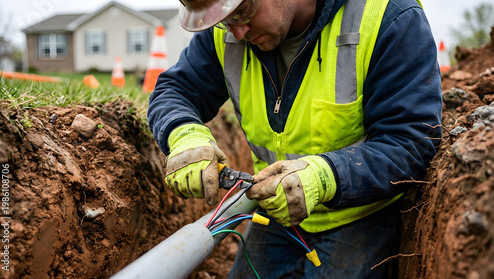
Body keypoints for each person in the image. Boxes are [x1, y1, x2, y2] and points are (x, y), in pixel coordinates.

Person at [147, 0, 442, 277]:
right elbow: (174, 90)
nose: (238, 31)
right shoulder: (228, 30)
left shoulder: (388, 18)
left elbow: (411, 140)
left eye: (244, 9)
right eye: (225, 20)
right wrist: (184, 134)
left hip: (361, 213)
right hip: (276, 212)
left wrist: (324, 177)